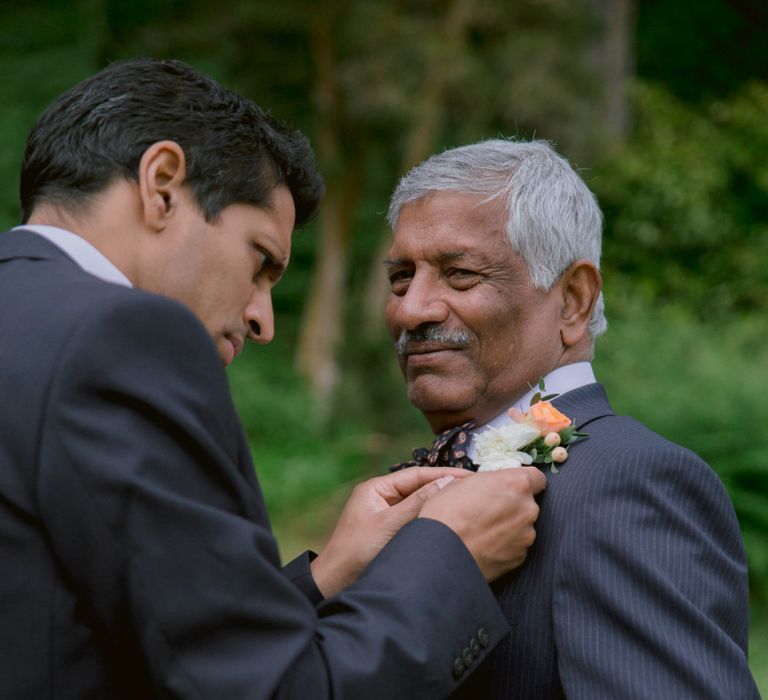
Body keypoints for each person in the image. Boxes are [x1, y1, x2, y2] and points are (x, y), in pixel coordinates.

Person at [0, 59, 548, 699]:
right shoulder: (121, 337)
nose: (262, 320)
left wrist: (327, 578)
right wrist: (451, 553)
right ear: (163, 184)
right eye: (260, 261)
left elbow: (137, 639)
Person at [384, 139, 760, 699]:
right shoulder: (414, 486)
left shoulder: (629, 484)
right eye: (400, 277)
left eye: (459, 273)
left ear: (573, 302)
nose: (410, 309)